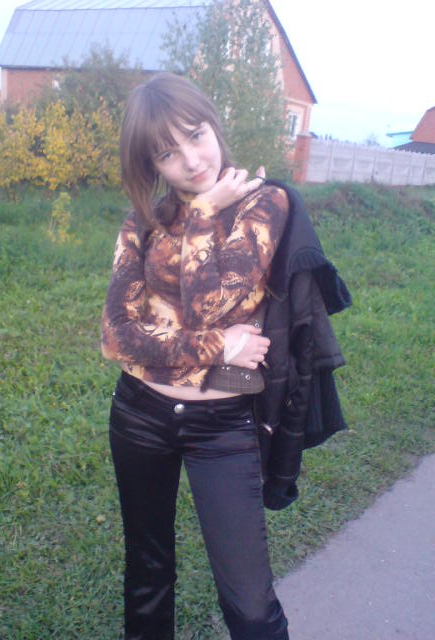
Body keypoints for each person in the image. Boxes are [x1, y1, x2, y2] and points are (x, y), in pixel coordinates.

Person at [101, 72, 291, 640]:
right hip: (139, 415)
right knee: (148, 574)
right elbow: (117, 336)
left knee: (251, 604)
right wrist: (220, 347)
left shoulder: (265, 204)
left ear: (214, 125)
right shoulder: (143, 224)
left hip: (222, 424)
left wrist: (205, 211)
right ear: (152, 165)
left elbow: (210, 304)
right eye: (167, 153)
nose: (191, 160)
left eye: (196, 135)